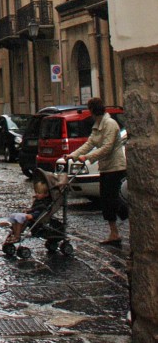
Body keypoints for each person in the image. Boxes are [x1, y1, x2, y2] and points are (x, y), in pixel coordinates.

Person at [67, 97, 128, 246]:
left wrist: (87, 157)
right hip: (106, 167)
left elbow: (107, 147)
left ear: (92, 110)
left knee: (113, 200)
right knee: (106, 201)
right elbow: (90, 143)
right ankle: (114, 233)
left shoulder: (110, 124)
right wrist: (73, 155)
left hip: (116, 167)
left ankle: (130, 216)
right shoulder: (98, 125)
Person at [0, 177, 52, 246]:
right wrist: (29, 210)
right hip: (32, 213)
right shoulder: (38, 200)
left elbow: (41, 210)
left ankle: (17, 236)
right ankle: (15, 233)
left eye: (39, 193)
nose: (37, 194)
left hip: (36, 215)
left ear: (46, 194)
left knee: (19, 217)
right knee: (13, 216)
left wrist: (32, 214)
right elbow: (34, 208)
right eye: (36, 192)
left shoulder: (45, 202)